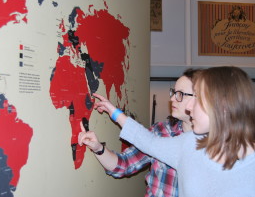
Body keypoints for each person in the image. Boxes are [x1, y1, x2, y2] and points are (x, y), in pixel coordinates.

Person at [88, 66, 255, 197]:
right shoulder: (187, 144)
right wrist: (113, 114)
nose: (188, 106)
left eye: (197, 98)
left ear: (224, 106)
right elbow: (144, 141)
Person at [78, 69, 199, 197]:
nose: (172, 98)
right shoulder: (161, 132)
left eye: (180, 94)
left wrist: (116, 113)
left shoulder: (216, 146)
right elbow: (124, 164)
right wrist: (98, 148)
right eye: (173, 92)